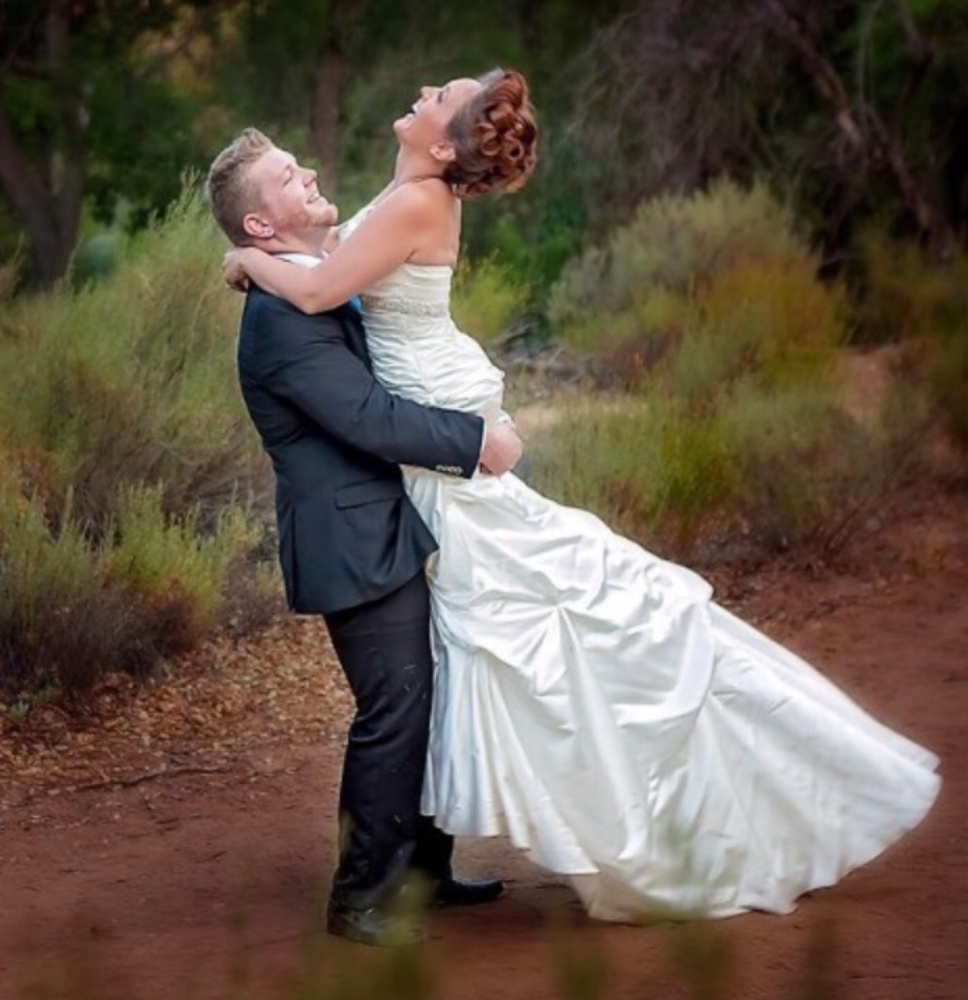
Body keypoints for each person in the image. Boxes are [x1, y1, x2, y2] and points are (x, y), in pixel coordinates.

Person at [222, 69, 941, 924]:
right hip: (408, 474)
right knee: (458, 668)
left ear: (445, 144)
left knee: (550, 628)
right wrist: (265, 259)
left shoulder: (407, 208)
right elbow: (346, 359)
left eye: (440, 93)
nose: (422, 88)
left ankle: (449, 862)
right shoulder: (390, 205)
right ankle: (388, 883)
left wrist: (245, 257)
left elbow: (323, 300)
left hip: (436, 455)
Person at [205, 127, 523, 946]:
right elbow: (366, 418)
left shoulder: (317, 275)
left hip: (393, 519)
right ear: (261, 229)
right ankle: (360, 900)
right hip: (351, 538)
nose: (307, 172)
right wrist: (473, 442)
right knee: (394, 707)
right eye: (285, 177)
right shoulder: (280, 319)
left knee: (435, 690)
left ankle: (423, 869)